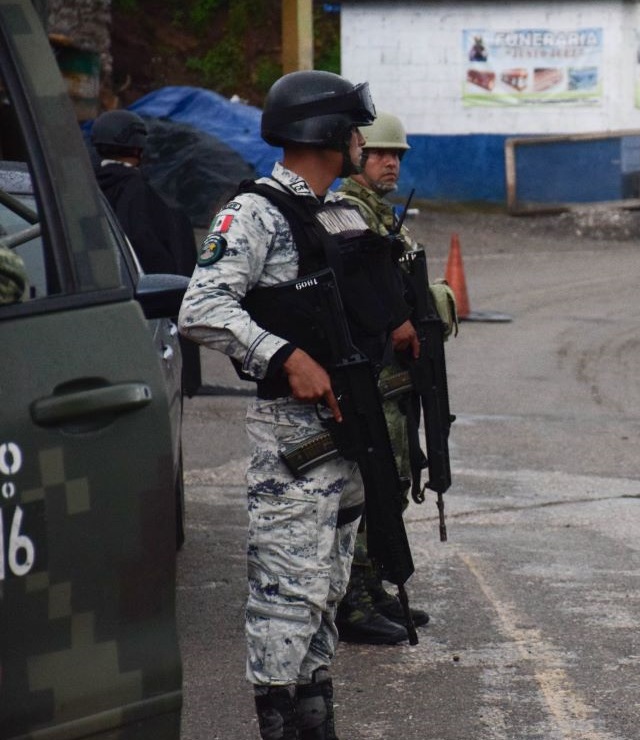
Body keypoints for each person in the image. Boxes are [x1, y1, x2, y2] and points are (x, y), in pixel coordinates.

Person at [178, 69, 412, 740]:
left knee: (328, 597)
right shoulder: (252, 213)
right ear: (326, 133)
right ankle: (280, 724)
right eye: (351, 128)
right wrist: (283, 355)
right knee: (288, 598)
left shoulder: (333, 210)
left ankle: (313, 722)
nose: (361, 140)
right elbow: (202, 307)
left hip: (347, 436)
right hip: (293, 441)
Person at [334, 111, 457, 644]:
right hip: (375, 376)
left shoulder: (382, 216)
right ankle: (354, 600)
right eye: (382, 153)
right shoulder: (347, 213)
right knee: (372, 485)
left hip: (397, 379)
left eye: (398, 155)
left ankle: (376, 585)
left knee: (396, 481)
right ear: (356, 154)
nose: (391, 162)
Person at [92, 108, 202, 394]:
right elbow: (159, 258)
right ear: (139, 146)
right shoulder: (142, 193)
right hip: (144, 324)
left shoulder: (82, 190)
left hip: (89, 310)